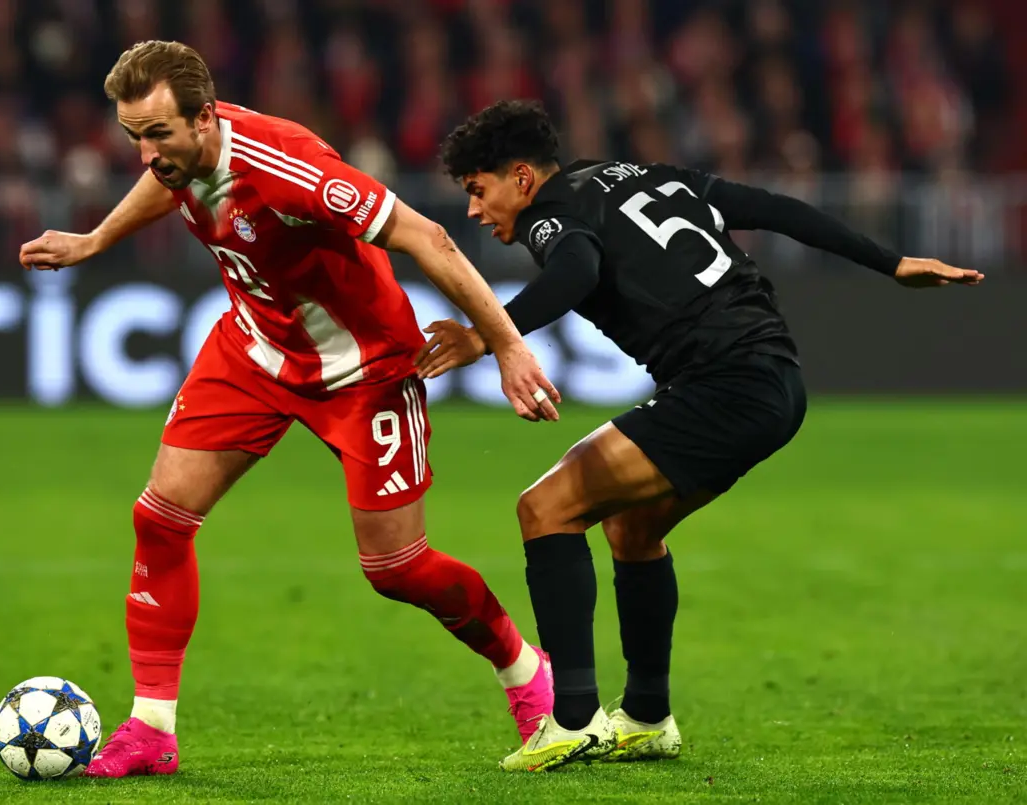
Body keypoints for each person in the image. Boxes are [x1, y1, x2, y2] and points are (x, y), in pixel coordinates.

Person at [18, 44, 563, 778]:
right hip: (255, 350)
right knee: (160, 518)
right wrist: (95, 239)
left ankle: (526, 669)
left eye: (157, 134)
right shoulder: (178, 157)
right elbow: (168, 182)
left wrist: (506, 346)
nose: (145, 154)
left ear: (205, 118)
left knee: (397, 567)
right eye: (133, 136)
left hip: (363, 369)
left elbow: (425, 236)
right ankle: (152, 727)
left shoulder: (286, 167)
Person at [416, 99, 984, 772]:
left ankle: (570, 719)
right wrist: (889, 262)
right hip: (774, 377)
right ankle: (648, 714)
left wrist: (490, 337)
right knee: (631, 529)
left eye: (480, 192)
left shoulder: (549, 212)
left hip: (723, 384)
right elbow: (776, 208)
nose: (477, 211)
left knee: (544, 508)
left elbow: (576, 271)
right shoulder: (639, 175)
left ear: (522, 177)